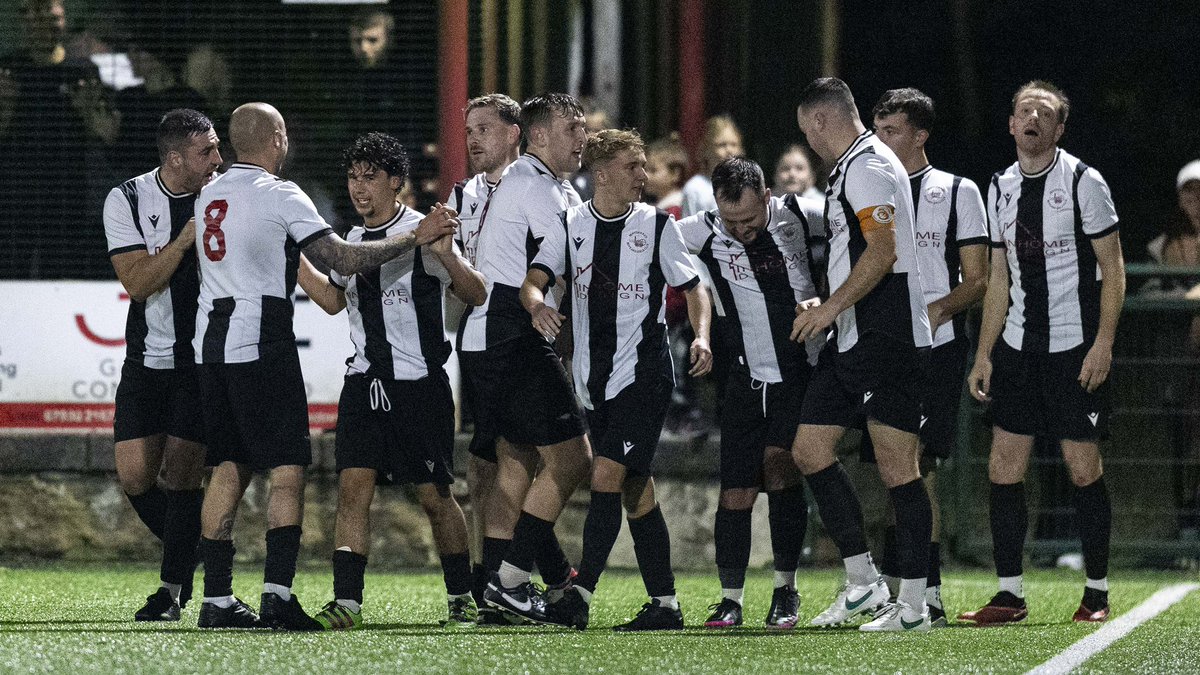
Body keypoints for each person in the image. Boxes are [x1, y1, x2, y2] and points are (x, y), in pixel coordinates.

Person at [192, 102, 458, 630]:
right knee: (288, 468)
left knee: (228, 464)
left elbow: (318, 285)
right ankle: (277, 596)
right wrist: (415, 236)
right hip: (261, 339)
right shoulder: (280, 193)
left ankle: (216, 599)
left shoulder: (209, 194)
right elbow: (341, 260)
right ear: (277, 138)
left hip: (212, 343)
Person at [299, 132, 487, 630]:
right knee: (352, 489)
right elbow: (335, 300)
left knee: (434, 495)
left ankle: (461, 597)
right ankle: (348, 602)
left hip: (419, 386)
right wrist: (295, 262)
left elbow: (476, 292)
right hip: (364, 383)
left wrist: (446, 253)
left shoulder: (424, 231)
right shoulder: (352, 242)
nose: (359, 188)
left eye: (371, 177)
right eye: (353, 177)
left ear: (397, 183)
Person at [526, 129, 712, 631]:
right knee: (636, 490)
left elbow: (695, 290)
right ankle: (666, 605)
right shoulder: (571, 225)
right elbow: (533, 282)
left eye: (644, 165)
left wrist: (701, 338)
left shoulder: (656, 225)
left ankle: (579, 594)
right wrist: (538, 304)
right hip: (593, 380)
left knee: (606, 476)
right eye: (634, 166)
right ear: (603, 172)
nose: (643, 175)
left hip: (644, 374)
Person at [960, 81, 1124, 625]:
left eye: (1045, 112)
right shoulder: (1001, 186)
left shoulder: (1083, 181)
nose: (1033, 117)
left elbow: (1114, 271)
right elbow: (1000, 278)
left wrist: (1102, 343)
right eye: (1024, 110)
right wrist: (984, 352)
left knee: (1082, 467)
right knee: (1004, 466)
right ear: (1011, 124)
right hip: (1018, 348)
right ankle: (1009, 595)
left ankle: (1096, 593)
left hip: (1073, 347)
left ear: (1058, 129)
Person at [790, 77, 934, 633]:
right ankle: (863, 583)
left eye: (808, 132)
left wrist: (828, 309)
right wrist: (829, 304)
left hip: (887, 334)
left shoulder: (870, 163)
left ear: (822, 121)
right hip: (854, 335)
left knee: (900, 468)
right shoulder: (851, 166)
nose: (809, 143)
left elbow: (883, 251)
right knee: (809, 448)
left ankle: (915, 609)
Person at [675, 157, 826, 630]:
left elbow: (857, 249)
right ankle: (730, 600)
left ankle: (786, 591)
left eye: (750, 220)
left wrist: (827, 299)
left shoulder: (804, 216)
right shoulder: (699, 230)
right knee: (736, 491)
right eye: (730, 220)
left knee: (781, 471)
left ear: (767, 197)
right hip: (742, 377)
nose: (740, 230)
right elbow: (652, 248)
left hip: (798, 371)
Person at [447, 93, 577, 624]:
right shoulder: (531, 186)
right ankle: (509, 580)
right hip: (509, 332)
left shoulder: (534, 183)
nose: (472, 138)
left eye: (483, 127)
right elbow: (553, 262)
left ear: (515, 133)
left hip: (497, 333)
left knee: (514, 461)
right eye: (574, 129)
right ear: (538, 134)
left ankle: (506, 586)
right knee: (568, 460)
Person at [866, 87, 989, 626]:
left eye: (892, 130)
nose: (881, 140)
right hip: (883, 348)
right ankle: (903, 586)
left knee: (922, 470)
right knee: (895, 472)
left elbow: (978, 279)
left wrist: (934, 312)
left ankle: (927, 592)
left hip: (935, 349)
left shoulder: (957, 191)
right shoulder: (869, 186)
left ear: (920, 135)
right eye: (878, 129)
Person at [103, 108, 221, 621]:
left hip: (200, 361)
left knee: (183, 473)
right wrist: (183, 240)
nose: (218, 159)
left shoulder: (224, 196)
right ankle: (195, 547)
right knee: (134, 478)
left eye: (218, 147)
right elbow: (137, 283)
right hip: (146, 357)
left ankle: (170, 593)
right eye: (206, 152)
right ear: (175, 159)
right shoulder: (126, 199)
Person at [0, 0, 120, 279]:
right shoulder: (8, 70)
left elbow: (107, 133)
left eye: (50, 15)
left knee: (62, 278)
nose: (42, 22)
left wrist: (88, 111)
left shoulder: (82, 71)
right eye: (33, 14)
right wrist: (6, 105)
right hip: (16, 195)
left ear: (62, 19)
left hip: (68, 195)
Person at [681, 115, 744, 218]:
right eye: (721, 145)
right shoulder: (695, 188)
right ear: (707, 149)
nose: (729, 150)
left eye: (734, 144)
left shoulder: (747, 185)